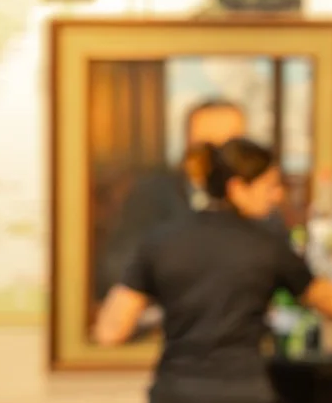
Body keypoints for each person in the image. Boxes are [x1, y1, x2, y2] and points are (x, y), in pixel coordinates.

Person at [93, 137, 332, 403]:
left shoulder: (160, 242)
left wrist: (169, 314)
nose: (277, 196)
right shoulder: (267, 246)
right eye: (270, 186)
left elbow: (110, 331)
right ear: (237, 187)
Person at [94, 97, 247, 301]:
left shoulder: (258, 202)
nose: (218, 158)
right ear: (188, 145)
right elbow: (118, 268)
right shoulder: (151, 196)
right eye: (207, 146)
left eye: (229, 147)